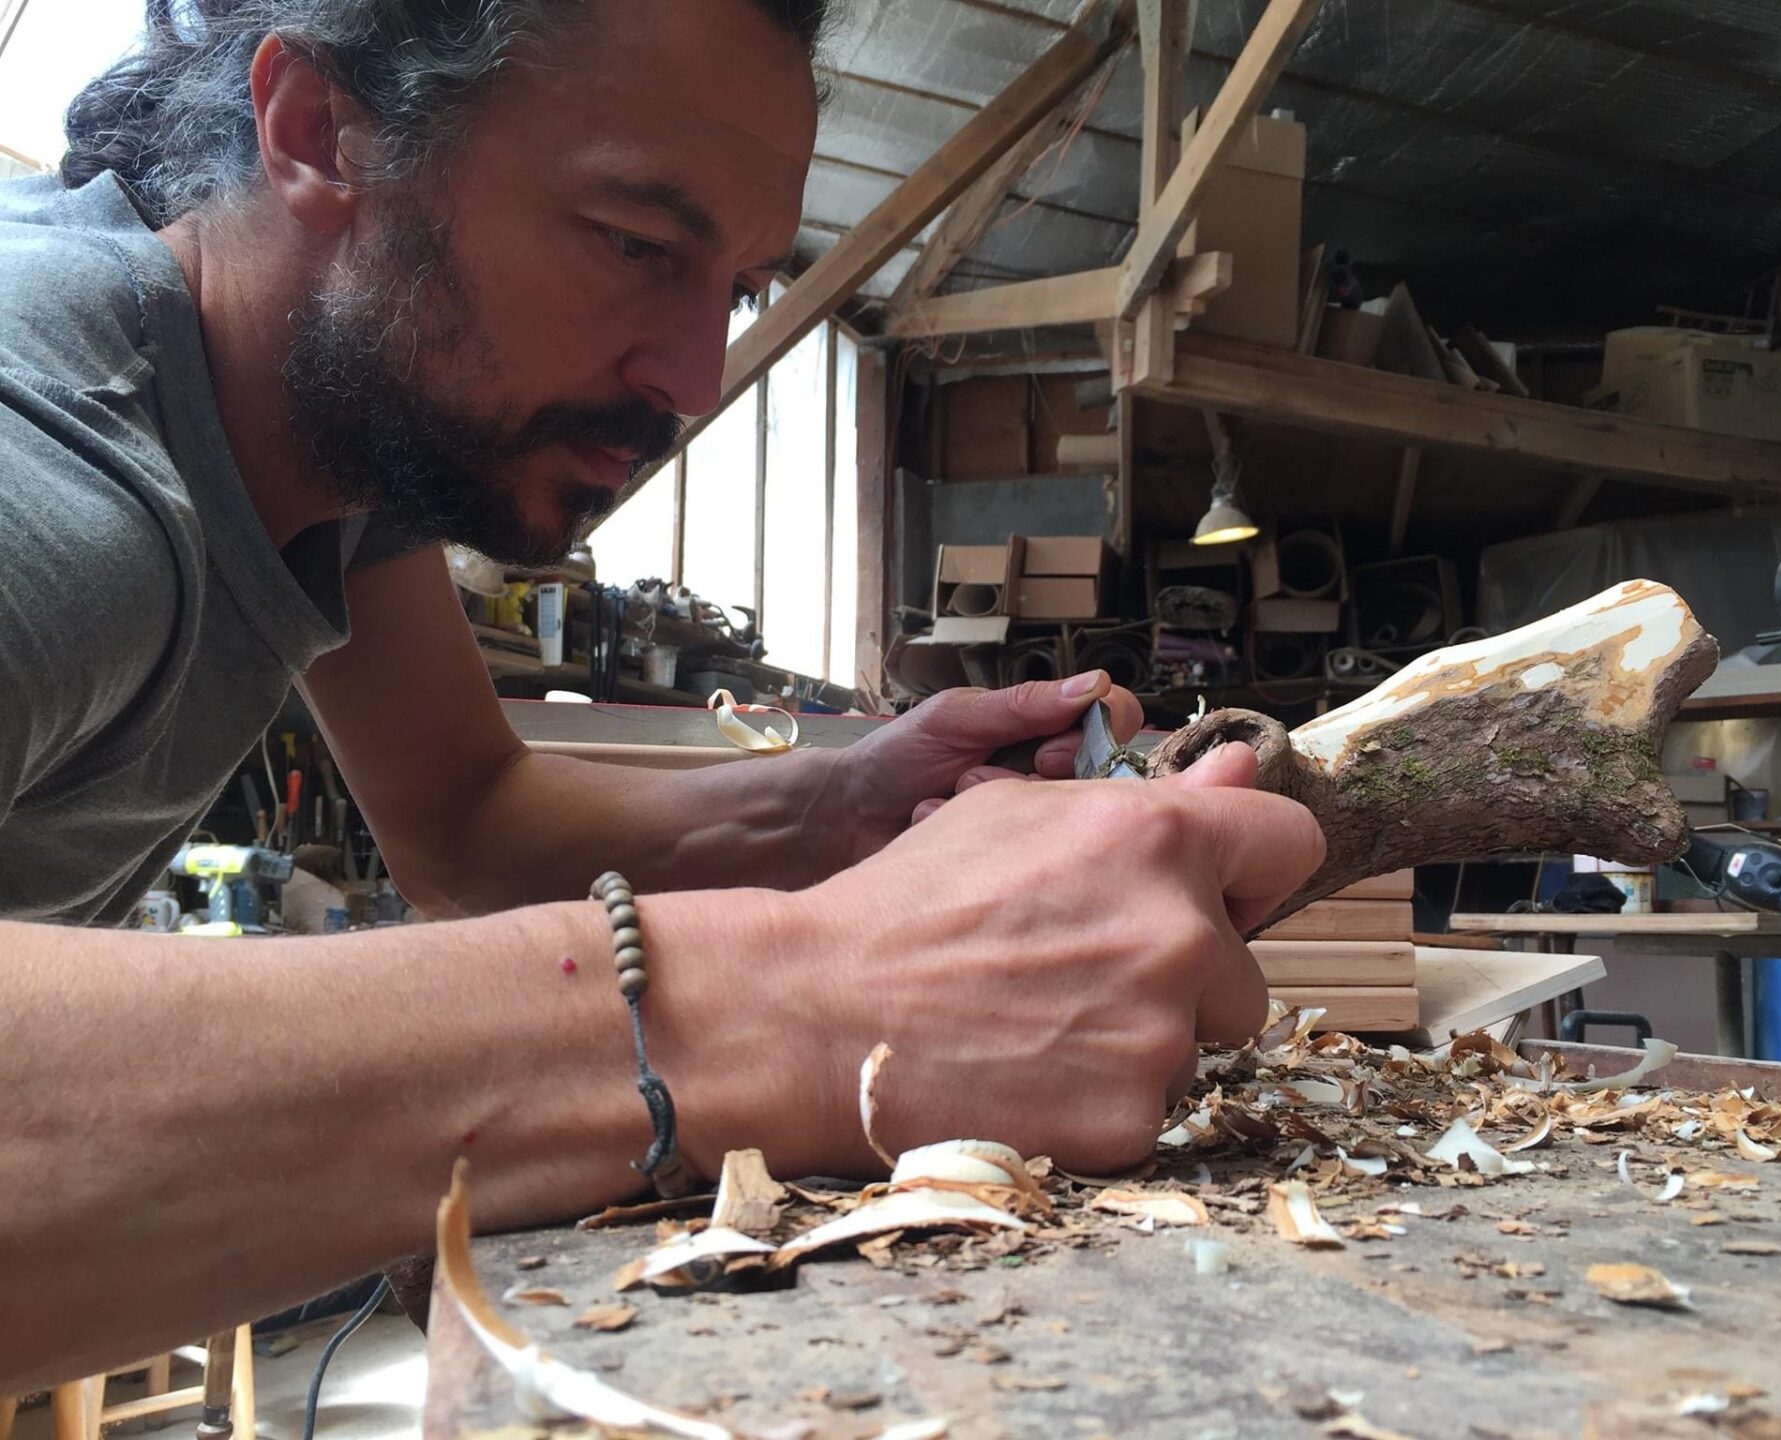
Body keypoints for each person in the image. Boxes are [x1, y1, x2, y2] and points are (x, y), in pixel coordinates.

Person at [0, 0, 1324, 1391]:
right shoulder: (56, 479)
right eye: (636, 243)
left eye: (739, 290)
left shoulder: (337, 433)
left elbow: (468, 820)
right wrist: (808, 1003)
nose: (694, 379)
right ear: (321, 132)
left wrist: (846, 805)